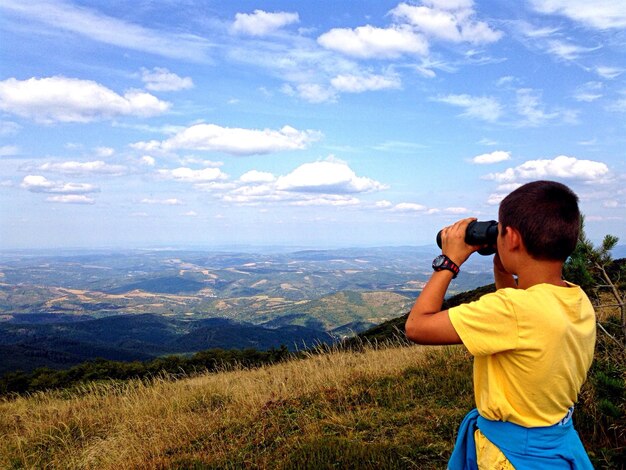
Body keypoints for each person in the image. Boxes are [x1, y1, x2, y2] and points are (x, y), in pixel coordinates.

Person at [405, 180, 596, 469]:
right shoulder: (575, 298)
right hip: (555, 443)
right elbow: (521, 321)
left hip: (512, 456)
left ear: (513, 238)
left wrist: (449, 261)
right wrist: (501, 266)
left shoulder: (513, 311)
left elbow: (417, 326)